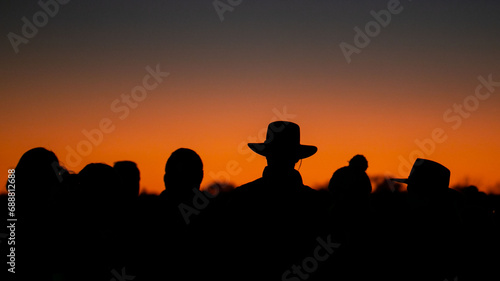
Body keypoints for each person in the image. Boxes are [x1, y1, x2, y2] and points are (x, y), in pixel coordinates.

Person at [221, 121, 330, 280]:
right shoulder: (316, 202)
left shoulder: (243, 196)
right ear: (297, 157)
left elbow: (229, 251)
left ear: (266, 155)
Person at [391, 158, 462, 281]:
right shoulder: (448, 220)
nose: (408, 193)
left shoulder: (429, 226)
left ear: (426, 193)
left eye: (412, 189)